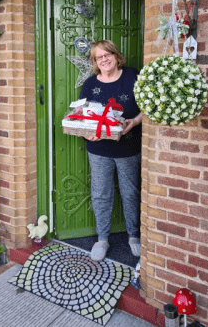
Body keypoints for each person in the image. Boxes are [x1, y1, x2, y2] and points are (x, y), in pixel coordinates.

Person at [79, 40, 143, 261]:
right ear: (95, 62)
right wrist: (87, 132)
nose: (104, 59)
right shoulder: (89, 84)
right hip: (98, 149)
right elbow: (82, 116)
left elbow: (147, 108)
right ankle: (102, 238)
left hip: (129, 147)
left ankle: (134, 236)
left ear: (116, 56)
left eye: (108, 55)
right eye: (99, 57)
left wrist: (134, 122)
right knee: (101, 194)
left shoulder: (132, 76)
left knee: (131, 193)